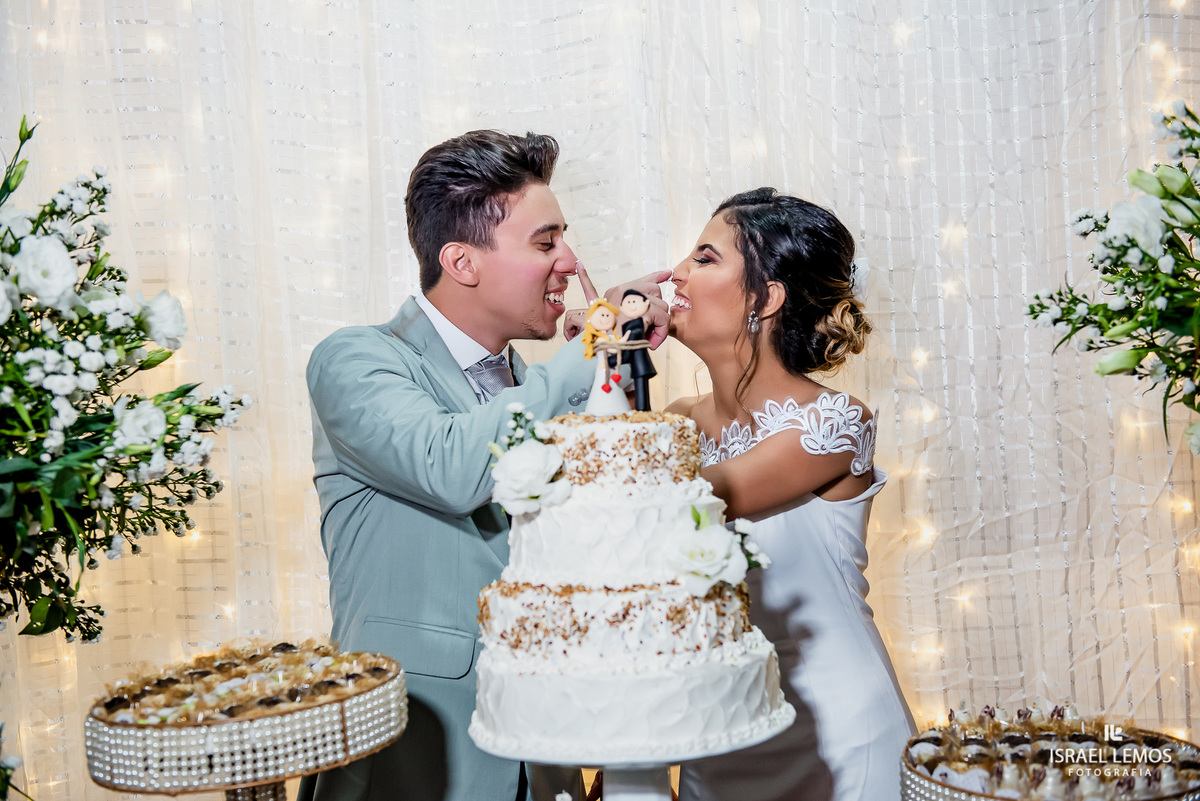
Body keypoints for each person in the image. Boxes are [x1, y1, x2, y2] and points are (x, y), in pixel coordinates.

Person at [300, 129, 668, 801]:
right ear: (463, 262)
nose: (569, 260)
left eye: (565, 238)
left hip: (542, 747)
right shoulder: (356, 359)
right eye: (545, 241)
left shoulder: (534, 384)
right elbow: (452, 466)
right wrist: (593, 346)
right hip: (414, 753)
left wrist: (616, 375)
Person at [666, 188, 916, 801]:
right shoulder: (673, 423)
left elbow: (689, 500)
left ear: (765, 297)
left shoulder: (834, 422)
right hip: (719, 741)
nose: (674, 275)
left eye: (703, 257)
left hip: (839, 740)